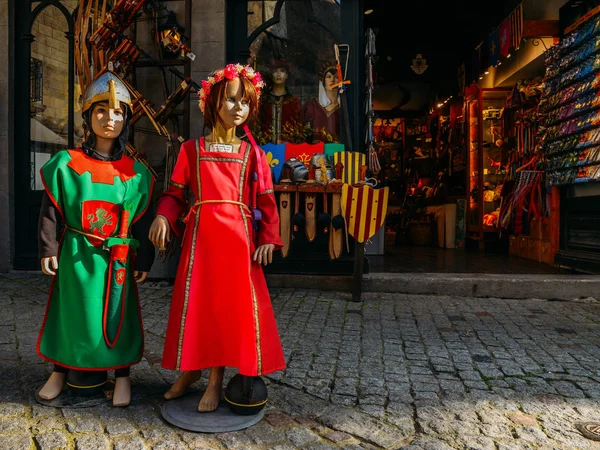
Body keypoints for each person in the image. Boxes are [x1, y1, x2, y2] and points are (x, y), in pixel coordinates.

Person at [149, 63, 286, 413]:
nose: (237, 108)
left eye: (244, 102)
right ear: (213, 104)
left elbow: (268, 202)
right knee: (197, 307)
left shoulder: (252, 154)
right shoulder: (191, 150)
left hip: (238, 244)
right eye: (230, 100)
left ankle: (214, 380)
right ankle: (190, 370)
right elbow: (175, 193)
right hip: (201, 242)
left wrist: (269, 236)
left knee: (228, 311)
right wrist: (164, 214)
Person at [37, 71, 155, 407]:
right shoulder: (66, 164)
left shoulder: (136, 173)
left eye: (118, 112)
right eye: (101, 111)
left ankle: (122, 377)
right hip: (77, 254)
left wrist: (144, 259)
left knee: (119, 315)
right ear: (88, 116)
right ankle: (59, 371)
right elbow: (51, 209)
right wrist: (49, 246)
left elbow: (142, 222)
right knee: (71, 312)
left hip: (117, 258)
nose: (110, 118)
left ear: (126, 120)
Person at [258, 60, 302, 144]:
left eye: (282, 71)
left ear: (287, 75)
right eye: (275, 71)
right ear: (271, 75)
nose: (278, 74)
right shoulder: (264, 101)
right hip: (265, 148)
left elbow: (299, 128)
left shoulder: (293, 102)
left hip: (288, 148)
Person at [303, 62, 340, 143]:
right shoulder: (312, 105)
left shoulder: (343, 107)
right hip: (316, 152)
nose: (332, 80)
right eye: (328, 77)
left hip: (338, 152)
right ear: (323, 81)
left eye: (336, 77)